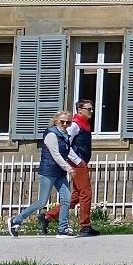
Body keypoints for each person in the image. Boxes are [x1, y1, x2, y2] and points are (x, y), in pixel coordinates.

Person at [9, 111, 75, 238]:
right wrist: (69, 168)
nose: (65, 124)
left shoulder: (65, 135)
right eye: (62, 121)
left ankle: (63, 229)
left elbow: (67, 153)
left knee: (66, 199)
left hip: (60, 172)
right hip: (48, 171)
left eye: (68, 122)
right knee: (42, 202)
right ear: (56, 121)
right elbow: (56, 155)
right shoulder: (51, 134)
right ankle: (16, 220)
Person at [46, 99, 99, 237]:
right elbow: (64, 143)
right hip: (77, 163)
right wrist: (78, 161)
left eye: (92, 109)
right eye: (89, 109)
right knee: (86, 193)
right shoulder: (75, 125)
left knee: (75, 196)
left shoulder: (84, 125)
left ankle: (47, 217)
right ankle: (85, 226)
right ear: (80, 110)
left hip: (80, 161)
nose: (91, 111)